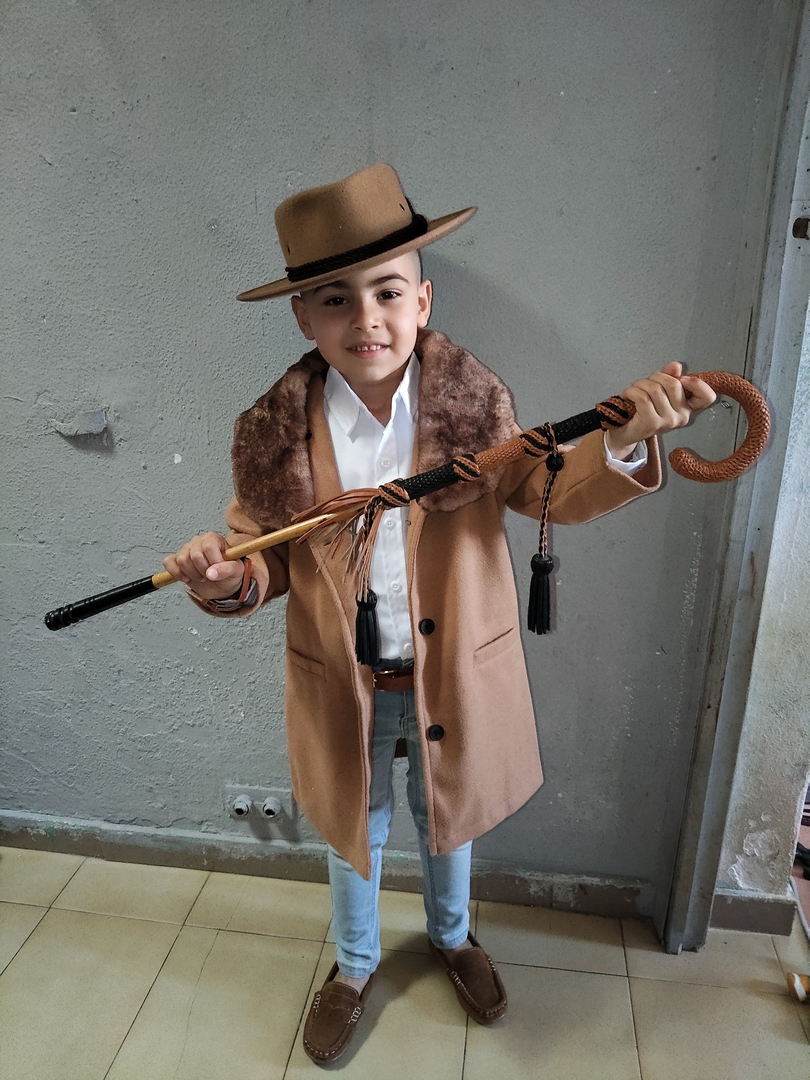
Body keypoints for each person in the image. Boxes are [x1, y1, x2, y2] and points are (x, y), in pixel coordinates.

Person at [163, 164, 716, 1063]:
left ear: (422, 300)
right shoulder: (274, 434)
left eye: (387, 292)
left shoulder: (474, 410)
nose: (366, 319)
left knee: (446, 815)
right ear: (303, 318)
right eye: (335, 300)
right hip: (344, 680)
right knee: (354, 825)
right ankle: (353, 965)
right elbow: (259, 557)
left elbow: (548, 485)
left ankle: (454, 936)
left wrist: (620, 439)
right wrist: (223, 576)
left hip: (451, 672)